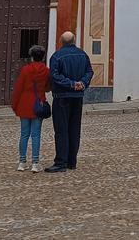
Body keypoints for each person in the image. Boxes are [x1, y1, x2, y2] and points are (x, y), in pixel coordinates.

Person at [45, 31, 93, 173]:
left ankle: (61, 162)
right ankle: (72, 161)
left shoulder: (57, 56)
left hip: (62, 97)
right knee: (74, 129)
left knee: (61, 130)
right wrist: (81, 83)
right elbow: (89, 72)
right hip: (77, 97)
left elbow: (55, 76)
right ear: (74, 40)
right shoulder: (83, 55)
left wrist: (71, 84)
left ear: (61, 41)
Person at [11, 44, 50, 173]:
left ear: (32, 57)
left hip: (24, 104)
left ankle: (22, 162)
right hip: (38, 104)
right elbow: (48, 87)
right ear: (42, 57)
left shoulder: (25, 70)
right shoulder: (46, 71)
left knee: (24, 134)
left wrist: (14, 105)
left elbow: (18, 88)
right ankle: (35, 163)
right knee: (36, 135)